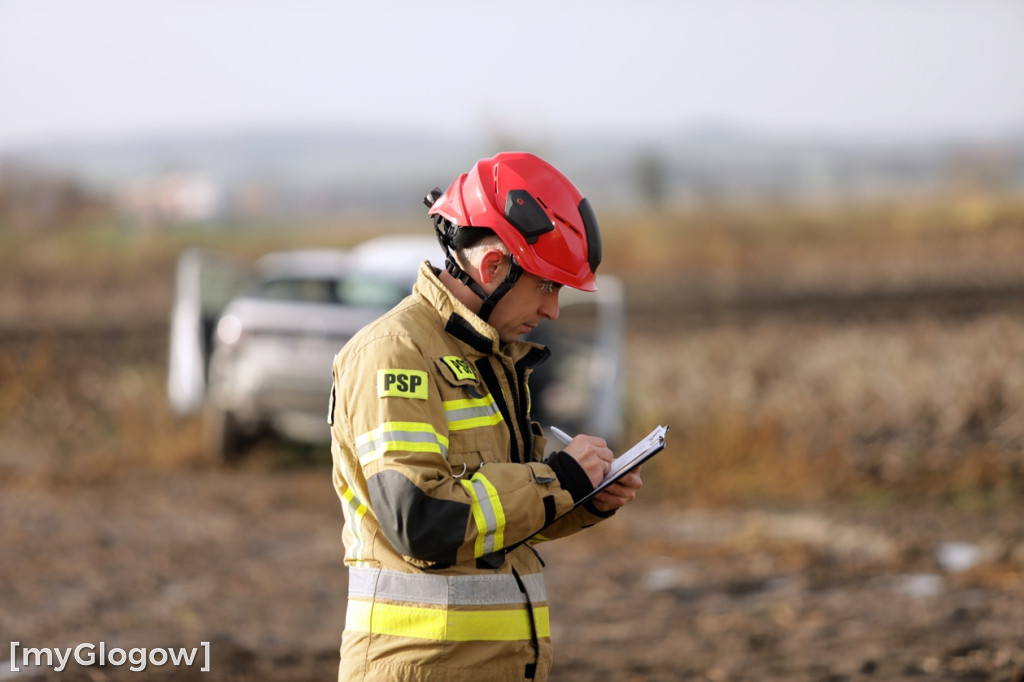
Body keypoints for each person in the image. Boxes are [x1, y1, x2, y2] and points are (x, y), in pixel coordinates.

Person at [328, 151, 644, 682]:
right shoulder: (396, 352)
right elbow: (422, 521)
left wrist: (583, 495)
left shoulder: (489, 360)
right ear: (493, 267)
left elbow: (495, 526)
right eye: (547, 285)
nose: (553, 311)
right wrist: (557, 478)